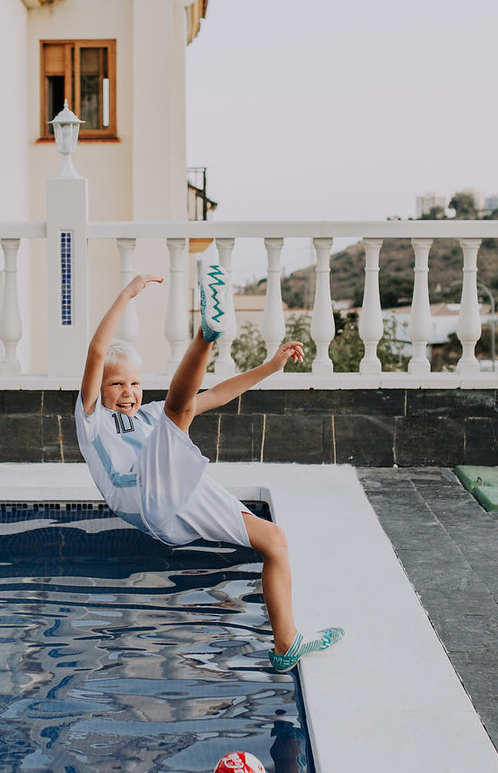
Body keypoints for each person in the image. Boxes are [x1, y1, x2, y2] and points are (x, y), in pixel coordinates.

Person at [77, 270, 343, 672]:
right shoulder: (92, 419)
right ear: (101, 389)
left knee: (274, 539)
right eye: (116, 384)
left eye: (133, 383)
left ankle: (286, 644)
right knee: (177, 412)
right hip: (144, 493)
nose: (127, 392)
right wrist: (129, 293)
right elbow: (97, 354)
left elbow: (216, 394)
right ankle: (207, 334)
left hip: (185, 494)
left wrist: (271, 366)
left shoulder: (150, 415)